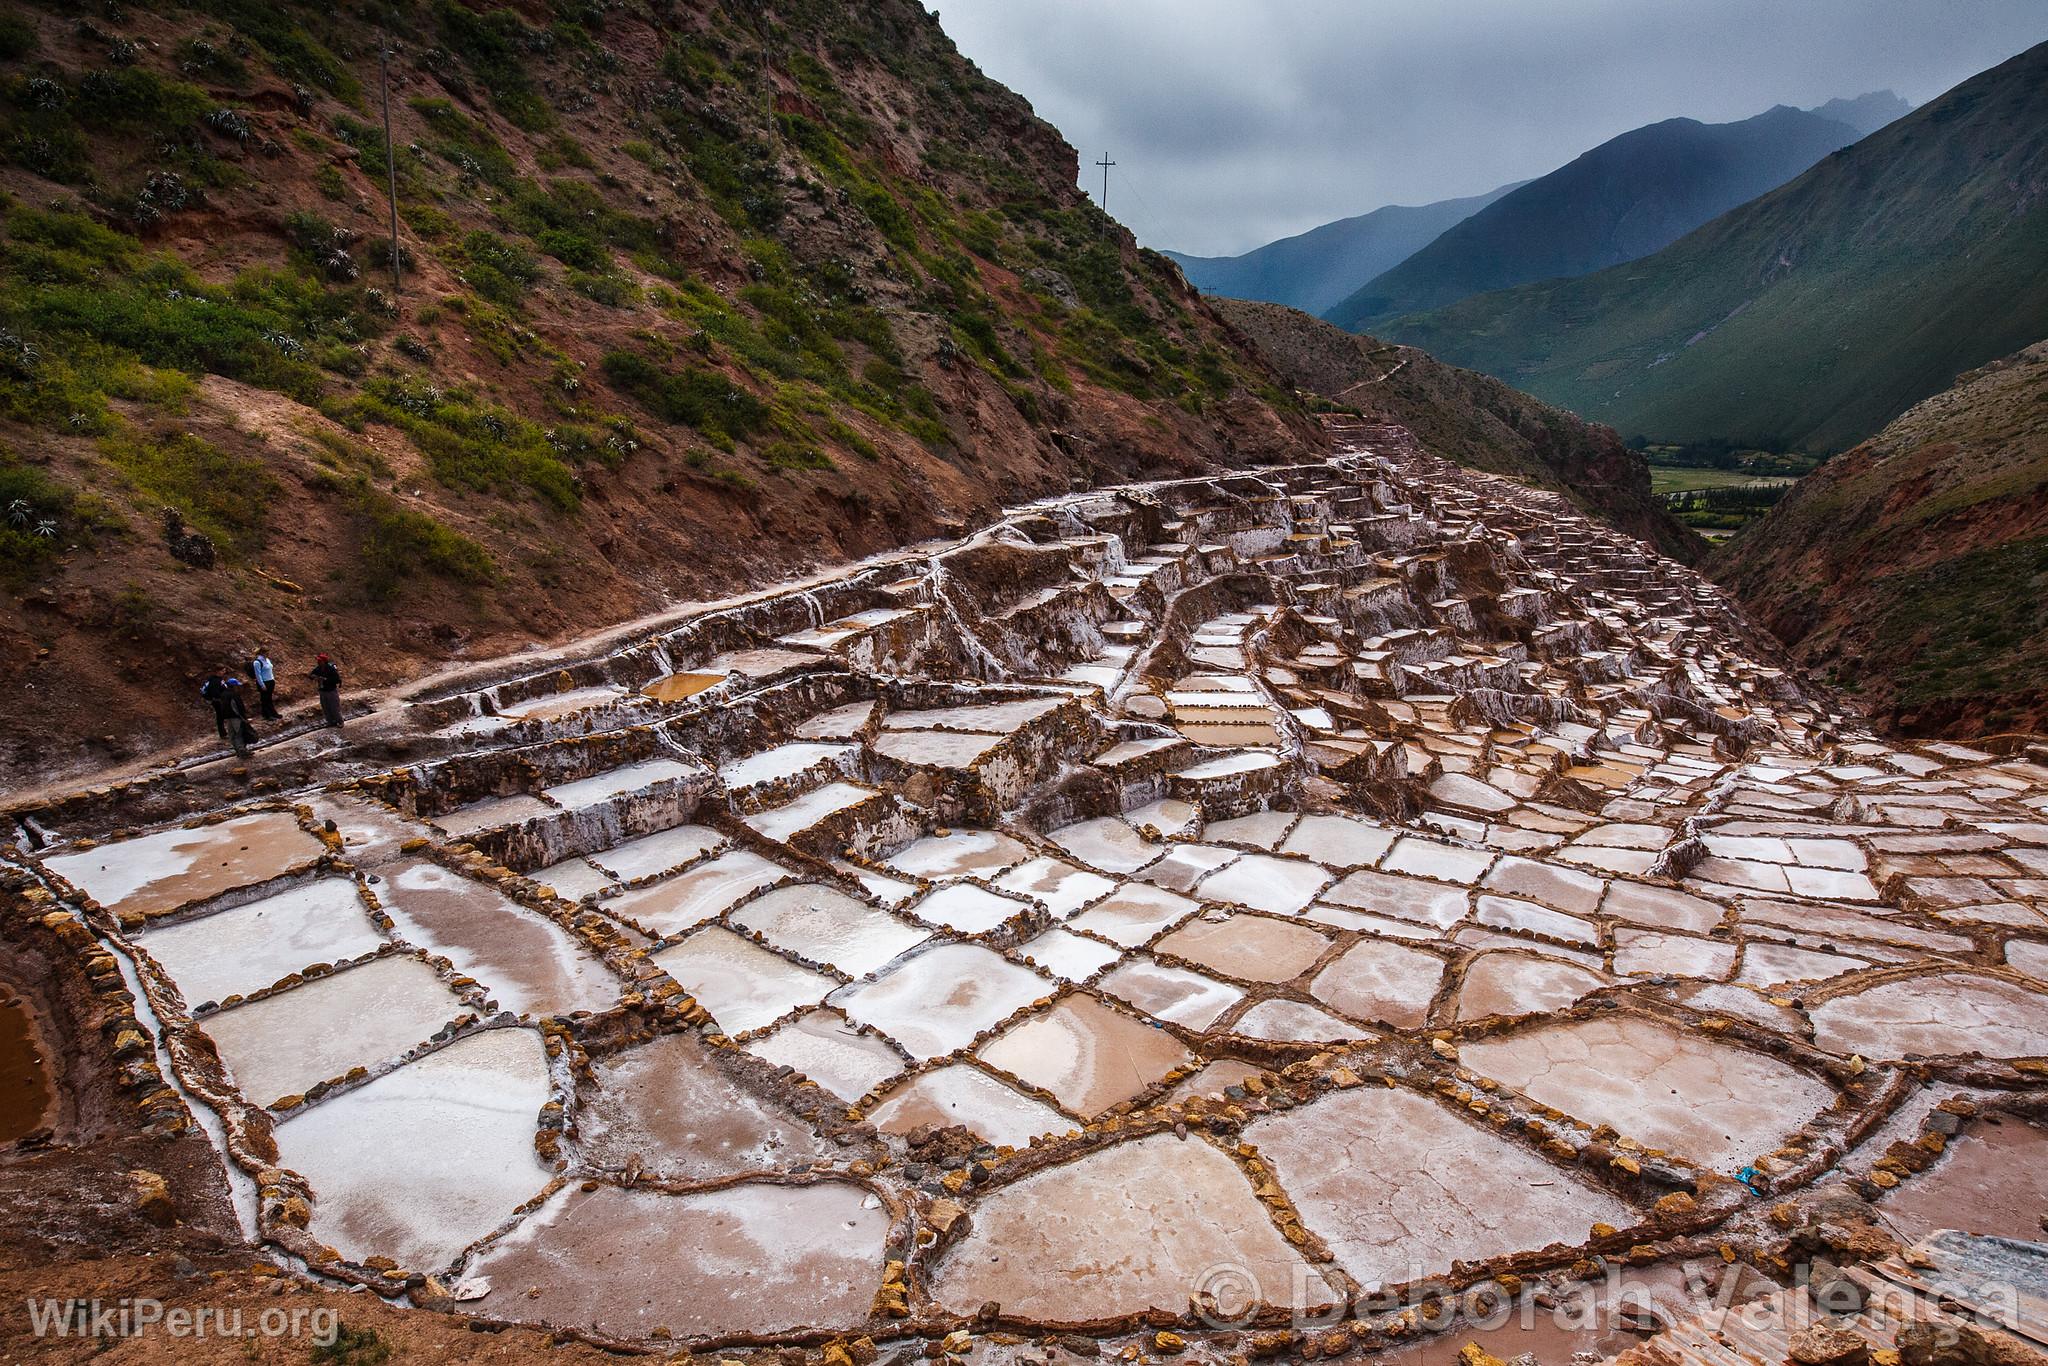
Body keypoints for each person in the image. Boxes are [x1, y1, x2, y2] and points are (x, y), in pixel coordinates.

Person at [200, 666, 254, 758]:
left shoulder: (223, 692)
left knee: (232, 734)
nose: (224, 672)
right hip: (234, 716)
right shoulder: (231, 694)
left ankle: (238, 751)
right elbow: (237, 708)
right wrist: (244, 718)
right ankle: (242, 752)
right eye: (223, 670)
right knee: (239, 734)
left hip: (227, 716)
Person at [309, 653, 344, 729]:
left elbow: (337, 680)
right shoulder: (318, 669)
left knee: (334, 707)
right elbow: (311, 674)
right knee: (325, 707)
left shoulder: (331, 669)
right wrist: (313, 676)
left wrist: (325, 679)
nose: (318, 662)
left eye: (319, 661)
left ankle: (340, 721)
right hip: (322, 691)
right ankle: (330, 722)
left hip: (331, 691)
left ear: (324, 661)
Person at [248, 647, 279, 721]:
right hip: (264, 682)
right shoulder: (257, 662)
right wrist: (262, 685)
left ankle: (273, 713)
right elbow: (258, 675)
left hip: (270, 681)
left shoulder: (267, 660)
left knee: (269, 698)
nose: (268, 654)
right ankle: (267, 715)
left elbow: (270, 670)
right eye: (267, 652)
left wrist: (273, 679)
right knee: (265, 699)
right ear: (262, 653)